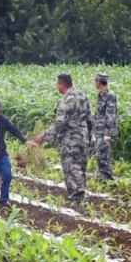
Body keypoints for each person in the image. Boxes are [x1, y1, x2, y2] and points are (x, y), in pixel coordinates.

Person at [29, 73, 92, 208]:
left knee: (71, 167)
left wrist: (43, 136)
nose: (57, 87)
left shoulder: (65, 101)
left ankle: (77, 198)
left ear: (62, 84)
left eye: (57, 84)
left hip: (70, 140)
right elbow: (89, 118)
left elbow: (59, 124)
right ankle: (78, 195)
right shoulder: (82, 96)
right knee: (80, 166)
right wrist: (89, 135)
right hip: (83, 137)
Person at [93, 73, 118, 181]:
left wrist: (107, 133)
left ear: (99, 81)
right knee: (100, 155)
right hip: (98, 129)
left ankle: (107, 178)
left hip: (104, 131)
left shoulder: (110, 95)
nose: (94, 83)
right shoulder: (101, 95)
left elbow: (110, 115)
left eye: (95, 80)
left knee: (102, 155)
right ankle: (104, 176)